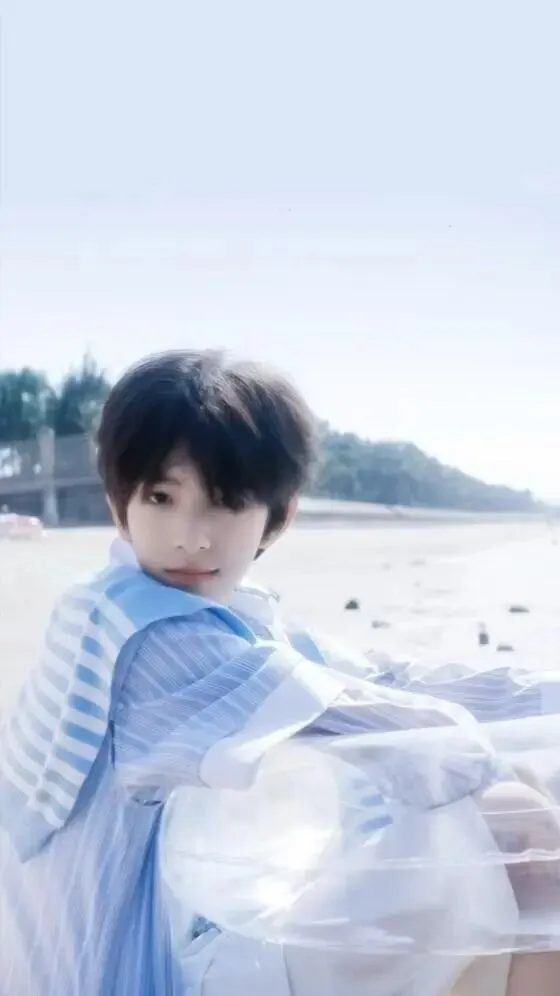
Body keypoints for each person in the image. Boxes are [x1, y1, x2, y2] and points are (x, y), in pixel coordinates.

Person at [0, 348, 552, 995]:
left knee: (513, 833)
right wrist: (509, 791)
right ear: (119, 501)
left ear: (278, 516)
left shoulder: (172, 611)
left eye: (225, 502)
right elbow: (390, 730)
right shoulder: (147, 642)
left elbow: (385, 680)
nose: (190, 535)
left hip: (176, 940)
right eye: (161, 497)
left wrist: (544, 699)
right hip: (129, 975)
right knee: (523, 834)